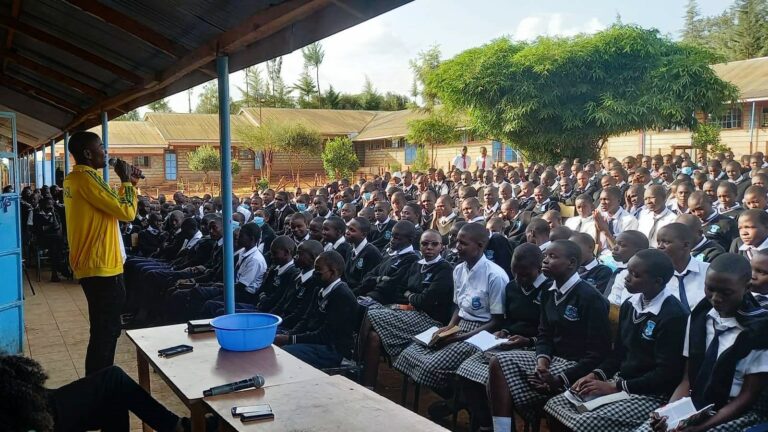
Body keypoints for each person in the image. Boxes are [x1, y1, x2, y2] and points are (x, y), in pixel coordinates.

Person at [544, 249, 687, 432]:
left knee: (583, 423)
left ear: (657, 282)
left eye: (635, 275)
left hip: (651, 393)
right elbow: (618, 353)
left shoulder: (673, 316)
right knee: (555, 405)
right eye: (628, 271)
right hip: (622, 380)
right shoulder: (630, 304)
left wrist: (615, 387)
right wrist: (596, 375)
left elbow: (665, 374)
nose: (627, 278)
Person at [485, 240, 611, 431]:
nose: (545, 261)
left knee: (511, 383)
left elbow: (598, 353)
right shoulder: (549, 292)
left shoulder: (590, 297)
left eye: (552, 257)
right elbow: (545, 335)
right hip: (552, 359)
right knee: (498, 362)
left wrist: (559, 378)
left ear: (571, 262)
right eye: (545, 256)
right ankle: (501, 430)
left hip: (576, 365)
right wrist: (542, 364)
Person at [643, 254, 768, 432]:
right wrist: (668, 415)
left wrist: (701, 427)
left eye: (726, 292)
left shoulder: (760, 329)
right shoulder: (699, 317)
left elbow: (748, 396)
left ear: (747, 288)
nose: (716, 298)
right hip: (697, 403)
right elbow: (688, 379)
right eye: (710, 289)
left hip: (734, 409)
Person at [394, 223, 507, 392]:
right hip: (459, 326)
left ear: (480, 245)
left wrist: (461, 337)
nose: (457, 247)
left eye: (463, 243)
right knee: (409, 354)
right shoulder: (459, 270)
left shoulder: (495, 275)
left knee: (429, 366)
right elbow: (458, 308)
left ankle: (456, 397)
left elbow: (497, 321)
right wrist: (449, 328)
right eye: (456, 241)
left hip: (482, 332)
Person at [64, 130, 141, 375]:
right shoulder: (88, 179)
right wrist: (127, 182)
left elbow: (111, 209)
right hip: (102, 267)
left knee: (104, 330)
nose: (105, 152)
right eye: (100, 147)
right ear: (87, 153)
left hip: (93, 264)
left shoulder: (75, 179)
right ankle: (98, 386)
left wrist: (131, 184)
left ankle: (98, 384)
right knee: (105, 333)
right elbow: (127, 213)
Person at [456, 243, 553, 430]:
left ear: (539, 268)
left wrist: (528, 340)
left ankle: (505, 427)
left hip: (535, 346)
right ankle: (485, 423)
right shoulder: (512, 287)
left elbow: (549, 332)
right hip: (510, 342)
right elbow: (509, 319)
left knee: (494, 379)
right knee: (465, 370)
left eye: (524, 274)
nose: (518, 278)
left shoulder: (549, 290)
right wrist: (505, 332)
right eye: (514, 272)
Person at [361, 229, 454, 387]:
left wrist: (410, 295)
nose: (429, 247)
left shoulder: (445, 269)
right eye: (425, 244)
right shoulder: (416, 265)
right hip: (410, 312)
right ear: (420, 246)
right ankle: (367, 381)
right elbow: (400, 290)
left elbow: (426, 301)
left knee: (370, 313)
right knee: (373, 336)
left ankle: (356, 361)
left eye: (434, 244)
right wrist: (411, 299)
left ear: (442, 247)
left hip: (430, 320)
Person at [0, 355, 190, 432]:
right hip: (28, 416)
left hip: (29, 404)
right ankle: (175, 426)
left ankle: (174, 425)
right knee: (114, 379)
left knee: (113, 399)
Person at [274, 250, 358, 369]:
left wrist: (291, 339)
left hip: (333, 350)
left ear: (333, 272)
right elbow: (305, 319)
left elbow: (325, 335)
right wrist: (289, 335)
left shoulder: (342, 296)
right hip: (315, 341)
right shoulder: (319, 289)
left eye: (318, 270)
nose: (314, 274)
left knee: (285, 352)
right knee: (275, 339)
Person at [656, 223, 709, 313]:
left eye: (666, 242)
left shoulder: (708, 271)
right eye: (658, 242)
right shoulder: (655, 275)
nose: (660, 246)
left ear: (686, 245)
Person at [343, 217, 382, 292]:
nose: (347, 232)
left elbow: (367, 283)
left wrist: (349, 294)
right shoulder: (350, 249)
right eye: (347, 228)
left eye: (352, 230)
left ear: (363, 234)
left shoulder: (371, 253)